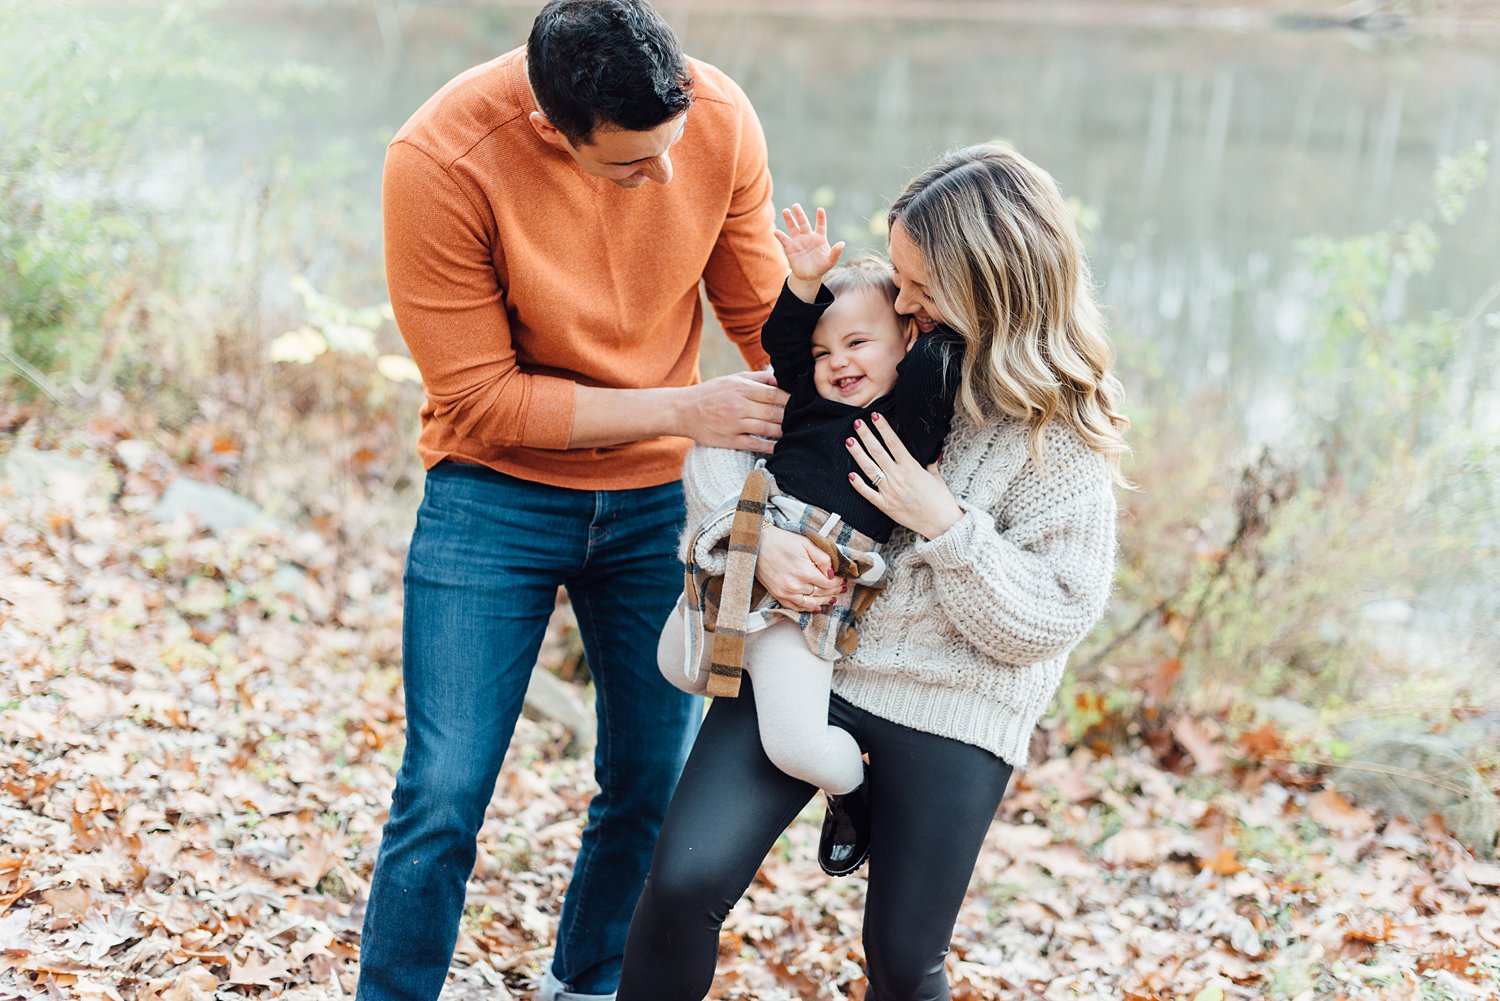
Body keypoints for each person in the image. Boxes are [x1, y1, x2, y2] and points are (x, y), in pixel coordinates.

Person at [616, 143, 1130, 1001]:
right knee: (681, 885)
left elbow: (1051, 616)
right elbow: (725, 435)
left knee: (901, 959)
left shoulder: (1060, 434)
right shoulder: (876, 347)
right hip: (811, 659)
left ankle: (857, 798)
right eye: (898, 276)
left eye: (920, 285)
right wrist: (749, 535)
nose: (901, 301)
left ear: (990, 283)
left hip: (952, 703)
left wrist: (945, 523)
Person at [354, 2, 789, 999]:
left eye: (672, 151)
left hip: (654, 509)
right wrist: (685, 406)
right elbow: (482, 399)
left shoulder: (718, 119)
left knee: (648, 782)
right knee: (444, 791)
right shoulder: (442, 157)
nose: (664, 179)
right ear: (556, 128)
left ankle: (587, 983)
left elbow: (764, 324)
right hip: (490, 499)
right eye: (632, 165)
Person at [658, 203, 964, 878]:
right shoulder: (807, 396)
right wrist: (802, 283)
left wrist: (935, 308)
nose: (837, 362)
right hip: (751, 541)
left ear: (907, 341)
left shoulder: (908, 410)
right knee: (674, 666)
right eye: (827, 352)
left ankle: (853, 788)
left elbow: (946, 351)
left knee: (793, 744)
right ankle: (761, 668)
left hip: (813, 581)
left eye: (859, 343)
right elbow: (787, 344)